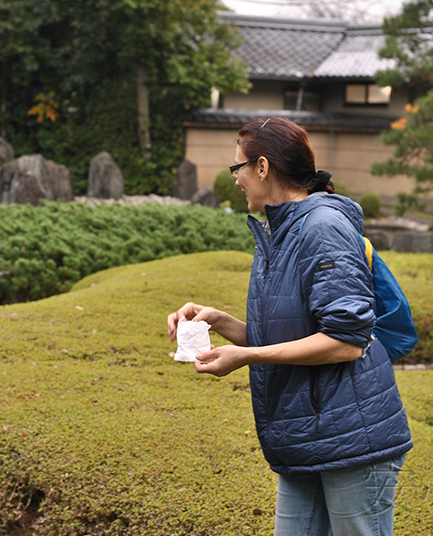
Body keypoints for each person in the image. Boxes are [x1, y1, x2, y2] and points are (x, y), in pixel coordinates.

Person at [167, 117, 412, 536]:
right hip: (304, 438)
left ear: (263, 167)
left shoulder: (323, 228)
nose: (236, 180)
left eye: (237, 168)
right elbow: (289, 337)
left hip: (352, 438)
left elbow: (346, 341)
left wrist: (247, 357)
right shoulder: (278, 233)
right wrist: (218, 320)